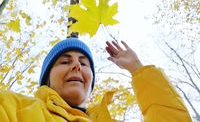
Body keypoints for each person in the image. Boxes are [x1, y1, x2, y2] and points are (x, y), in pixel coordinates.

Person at [0, 35, 192, 122]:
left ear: (90, 82)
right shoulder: (13, 107)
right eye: (65, 62)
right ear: (46, 79)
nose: (76, 65)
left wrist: (138, 70)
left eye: (84, 64)